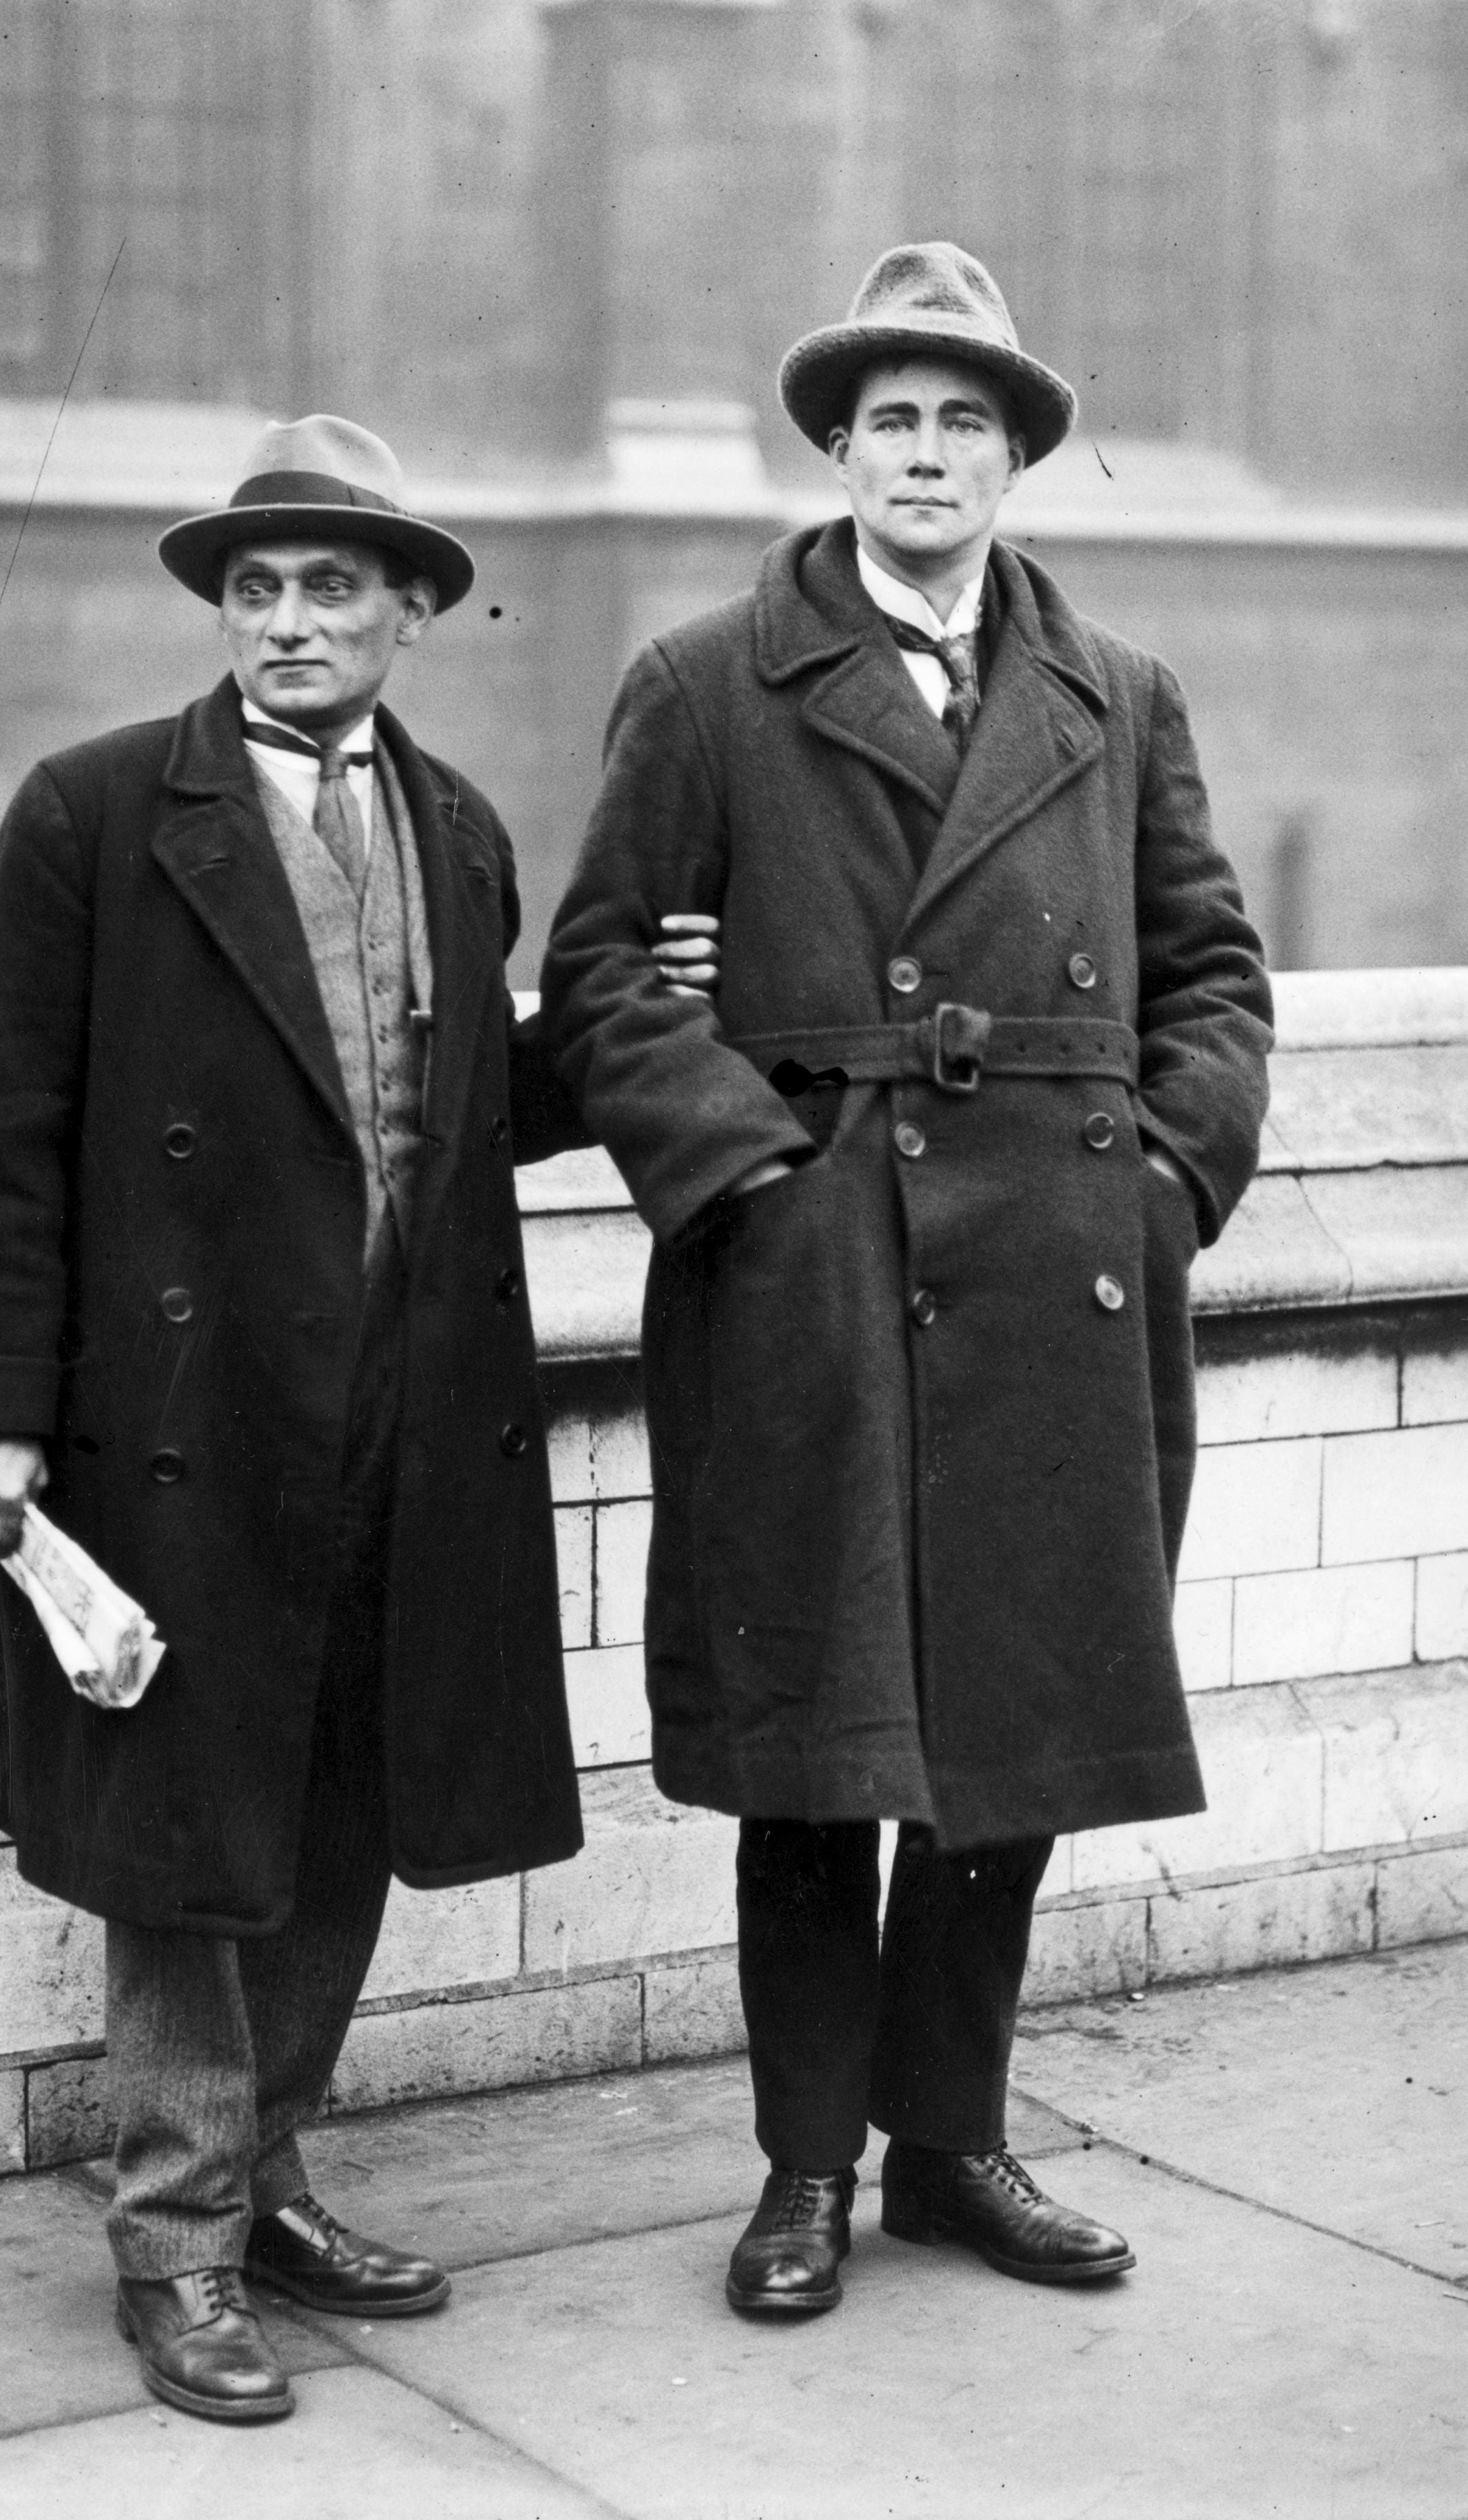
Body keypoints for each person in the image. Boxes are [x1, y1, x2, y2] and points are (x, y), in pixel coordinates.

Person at [0, 415, 712, 2422]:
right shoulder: (93, 813)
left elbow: (459, 1124)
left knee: (351, 1794)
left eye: (330, 585)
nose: (285, 621)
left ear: (410, 610)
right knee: (189, 1839)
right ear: (220, 612)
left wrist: (643, 1016)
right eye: (252, 588)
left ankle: (268, 2173)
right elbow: (2, 1128)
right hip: (180, 1421)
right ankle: (175, 2244)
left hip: (411, 1408)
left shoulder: (456, 832)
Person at [541, 245, 1273, 2316]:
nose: (926, 455)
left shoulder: (1120, 696)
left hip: (1063, 1278)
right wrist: (757, 1186)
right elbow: (601, 972)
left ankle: (952, 2143)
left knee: (1012, 1744)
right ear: (840, 455)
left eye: (965, 421)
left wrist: (1167, 1180)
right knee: (820, 1746)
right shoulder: (706, 682)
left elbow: (1211, 965)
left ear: (1018, 457)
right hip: (817, 1292)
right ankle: (803, 2169)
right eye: (891, 422)